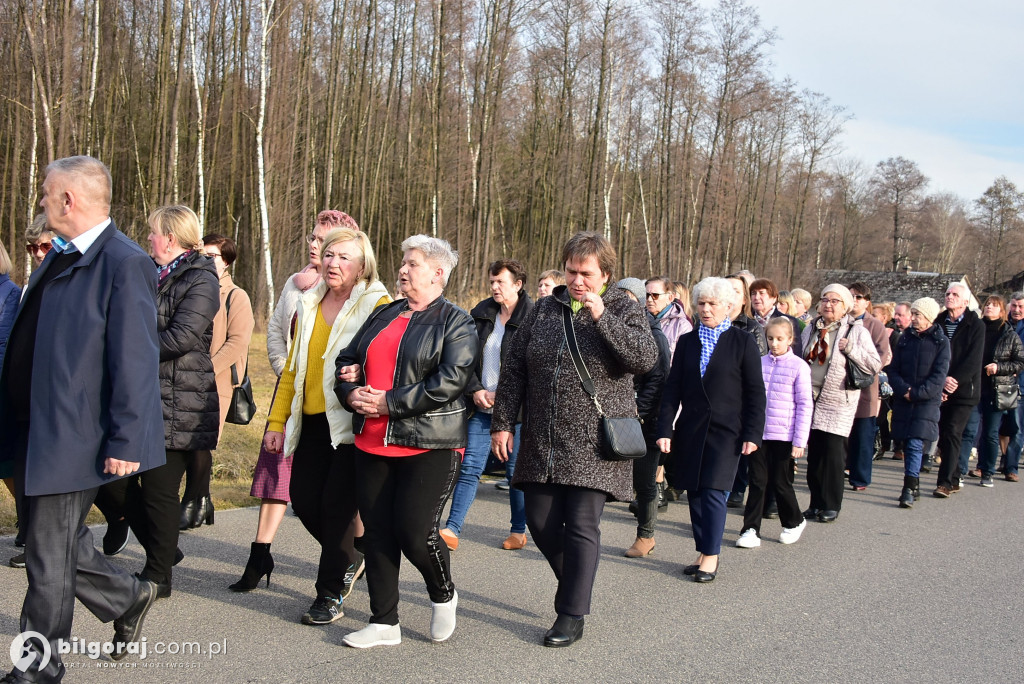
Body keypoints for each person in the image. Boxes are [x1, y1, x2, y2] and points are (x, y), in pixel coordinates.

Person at [0, 156, 165, 680]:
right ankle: (127, 598)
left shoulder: (124, 261)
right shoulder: (59, 255)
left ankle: (38, 668)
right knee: (61, 542)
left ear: (69, 200)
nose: (43, 201)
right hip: (32, 429)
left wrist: (127, 438)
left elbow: (135, 359)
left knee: (45, 557)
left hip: (74, 435)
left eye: (48, 194)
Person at [491, 232, 657, 647]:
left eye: (587, 274)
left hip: (594, 441)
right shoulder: (544, 309)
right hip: (543, 439)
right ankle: (578, 584)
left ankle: (570, 613)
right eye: (571, 271)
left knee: (582, 525)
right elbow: (514, 369)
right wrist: (502, 421)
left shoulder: (622, 307)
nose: (578, 281)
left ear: (606, 275)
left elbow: (645, 358)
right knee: (541, 522)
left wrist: (603, 318)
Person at [336, 235, 478, 648]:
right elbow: (348, 359)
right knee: (376, 534)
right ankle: (384, 622)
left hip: (429, 445)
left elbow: (450, 382)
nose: (402, 270)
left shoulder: (457, 321)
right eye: (402, 262)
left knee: (416, 533)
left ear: (437, 273)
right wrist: (351, 393)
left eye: (412, 264)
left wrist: (387, 402)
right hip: (371, 443)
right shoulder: (385, 313)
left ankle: (443, 593)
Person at [262, 227, 390, 625]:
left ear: (362, 265)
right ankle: (354, 556)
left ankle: (329, 594)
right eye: (329, 255)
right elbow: (293, 372)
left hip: (352, 426)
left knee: (336, 510)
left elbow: (387, 360)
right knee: (303, 502)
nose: (333, 263)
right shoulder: (308, 302)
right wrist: (276, 421)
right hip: (312, 423)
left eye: (344, 257)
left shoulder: (378, 304)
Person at [231, 210, 357, 592]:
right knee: (276, 472)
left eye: (324, 240)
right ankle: (260, 554)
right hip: (292, 389)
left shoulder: (360, 295)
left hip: (334, 402)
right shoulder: (295, 284)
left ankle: (354, 554)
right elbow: (273, 329)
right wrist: (288, 367)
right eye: (313, 238)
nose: (315, 246)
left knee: (340, 490)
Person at [99, 205, 220, 599]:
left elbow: (183, 337)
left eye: (152, 232)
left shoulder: (202, 278)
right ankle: (164, 550)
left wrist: (127, 349)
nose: (147, 238)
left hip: (181, 398)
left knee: (158, 489)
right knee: (113, 480)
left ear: (169, 237)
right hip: (143, 393)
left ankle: (158, 577)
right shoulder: (147, 272)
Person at [657, 277, 765, 581]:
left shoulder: (742, 342)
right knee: (695, 491)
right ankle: (703, 550)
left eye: (712, 304)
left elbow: (756, 392)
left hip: (727, 431)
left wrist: (753, 433)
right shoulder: (689, 341)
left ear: (728, 307)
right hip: (691, 429)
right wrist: (665, 428)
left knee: (714, 491)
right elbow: (673, 388)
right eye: (701, 303)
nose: (705, 309)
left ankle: (712, 556)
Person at [442, 259, 533, 551]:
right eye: (491, 282)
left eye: (500, 282)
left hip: (518, 412)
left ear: (518, 285)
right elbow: (463, 359)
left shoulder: (535, 317)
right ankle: (452, 529)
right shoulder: (480, 314)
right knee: (469, 467)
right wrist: (475, 390)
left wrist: (507, 399)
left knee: (515, 472)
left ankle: (518, 531)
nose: (494, 287)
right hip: (481, 408)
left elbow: (532, 370)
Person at [179, 234, 255, 530]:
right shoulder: (193, 288)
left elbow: (237, 342)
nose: (206, 260)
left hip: (217, 382)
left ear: (227, 262)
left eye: (213, 256)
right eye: (203, 254)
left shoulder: (236, 296)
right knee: (185, 442)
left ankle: (194, 500)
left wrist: (207, 370)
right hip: (185, 379)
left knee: (202, 442)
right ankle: (202, 501)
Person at [799, 284, 881, 523]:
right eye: (825, 299)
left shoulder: (855, 331)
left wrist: (852, 349)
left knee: (833, 456)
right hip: (810, 398)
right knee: (814, 455)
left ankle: (831, 504)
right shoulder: (812, 328)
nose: (829, 304)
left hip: (837, 401)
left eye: (835, 301)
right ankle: (815, 503)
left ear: (845, 306)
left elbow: (874, 364)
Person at [736, 318, 811, 548]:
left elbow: (805, 404)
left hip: (784, 435)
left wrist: (799, 441)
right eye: (770, 339)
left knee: (780, 482)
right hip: (759, 433)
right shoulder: (759, 363)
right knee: (757, 481)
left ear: (790, 339)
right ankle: (750, 528)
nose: (774, 344)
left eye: (780, 339)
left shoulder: (799, 367)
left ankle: (794, 521)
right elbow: (748, 399)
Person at [615, 278, 671, 558]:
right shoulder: (611, 326)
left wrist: (638, 410)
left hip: (644, 420)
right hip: (614, 415)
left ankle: (646, 536)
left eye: (628, 297)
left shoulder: (655, 335)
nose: (623, 303)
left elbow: (658, 380)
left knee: (645, 482)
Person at [886, 298, 950, 508]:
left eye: (918, 315)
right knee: (905, 441)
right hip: (905, 398)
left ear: (929, 317)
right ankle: (914, 484)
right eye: (912, 314)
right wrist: (904, 390)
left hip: (925, 401)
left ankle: (908, 487)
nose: (913, 319)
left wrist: (917, 393)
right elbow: (893, 369)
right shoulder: (905, 339)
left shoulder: (941, 341)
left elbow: (939, 375)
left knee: (915, 442)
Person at [932, 283, 985, 498]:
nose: (950, 297)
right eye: (947, 294)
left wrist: (954, 382)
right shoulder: (939, 322)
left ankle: (944, 482)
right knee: (944, 434)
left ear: (966, 301)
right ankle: (954, 477)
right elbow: (933, 353)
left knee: (953, 431)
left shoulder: (976, 325)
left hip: (964, 390)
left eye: (955, 294)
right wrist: (941, 381)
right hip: (941, 385)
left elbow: (974, 360)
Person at [973, 295, 1024, 488]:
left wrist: (999, 368)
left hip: (1000, 389)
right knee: (970, 430)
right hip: (974, 386)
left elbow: (1020, 362)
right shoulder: (975, 329)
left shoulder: (1009, 334)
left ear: (1002, 311)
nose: (989, 308)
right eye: (987, 305)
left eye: (994, 306)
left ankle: (992, 470)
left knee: (994, 432)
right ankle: (968, 469)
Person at [845, 282, 891, 491]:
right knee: (841, 435)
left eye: (859, 297)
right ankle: (841, 469)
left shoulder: (874, 325)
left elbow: (881, 357)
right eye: (851, 296)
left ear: (867, 302)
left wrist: (857, 359)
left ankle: (860, 477)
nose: (854, 300)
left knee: (863, 435)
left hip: (864, 386)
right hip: (839, 386)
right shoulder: (841, 320)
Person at [749, 278, 805, 357]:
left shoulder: (789, 321)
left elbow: (796, 355)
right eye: (753, 293)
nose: (756, 297)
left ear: (774, 298)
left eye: (761, 293)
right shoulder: (746, 320)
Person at [1001, 292, 1024, 481]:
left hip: (1020, 385)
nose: (1016, 310)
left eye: (1021, 306)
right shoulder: (1002, 324)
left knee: (1016, 428)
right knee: (998, 426)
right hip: (1000, 382)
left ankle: (1011, 467)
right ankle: (997, 461)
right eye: (1014, 306)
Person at [645, 275, 692, 357]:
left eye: (655, 295)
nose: (649, 299)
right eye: (647, 295)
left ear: (670, 297)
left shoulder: (681, 326)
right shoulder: (638, 319)